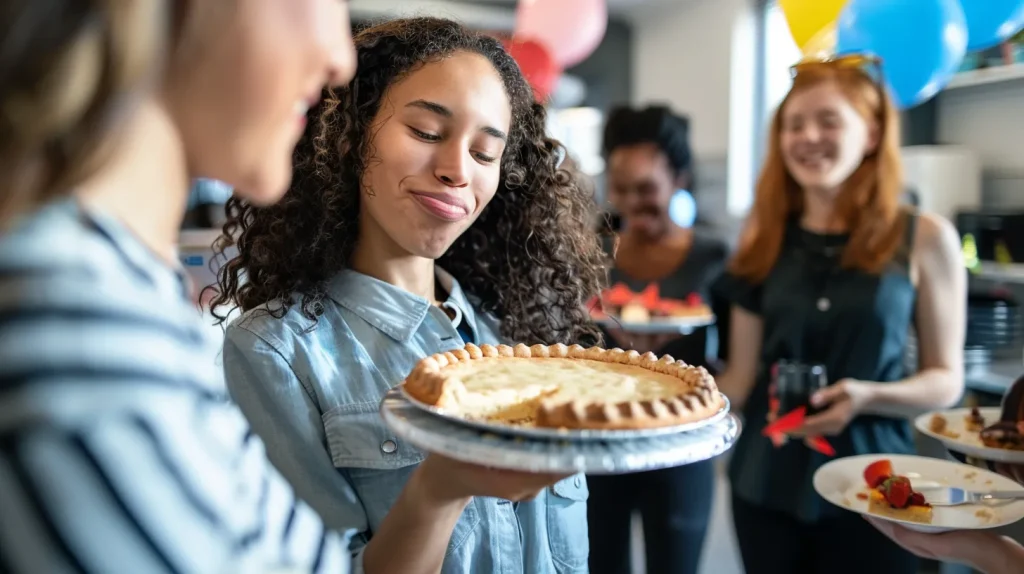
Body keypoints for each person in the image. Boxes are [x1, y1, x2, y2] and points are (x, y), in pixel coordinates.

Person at [0, 3, 564, 573]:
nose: (340, 58)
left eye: (485, 153)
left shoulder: (134, 311)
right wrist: (440, 487)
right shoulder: (74, 329)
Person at [208, 17, 606, 574]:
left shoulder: (518, 336)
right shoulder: (276, 352)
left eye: (484, 153)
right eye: (426, 132)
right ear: (349, 136)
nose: (457, 171)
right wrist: (439, 488)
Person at [712, 54, 966, 574]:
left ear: (871, 134)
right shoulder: (762, 237)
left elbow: (946, 380)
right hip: (766, 485)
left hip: (879, 491)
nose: (808, 137)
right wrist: (659, 391)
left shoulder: (925, 238)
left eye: (828, 121)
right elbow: (740, 378)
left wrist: (868, 395)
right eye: (794, 125)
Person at [587, 105, 727, 574]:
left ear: (679, 179)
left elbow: (736, 359)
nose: (631, 203)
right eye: (620, 188)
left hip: (680, 444)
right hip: (600, 438)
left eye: (646, 189)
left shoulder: (712, 256)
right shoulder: (592, 251)